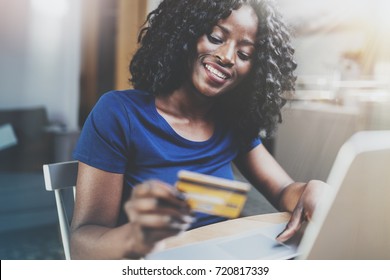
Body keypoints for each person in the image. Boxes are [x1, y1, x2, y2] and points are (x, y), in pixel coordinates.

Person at [71, 0, 328, 259]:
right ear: (184, 32)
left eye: (244, 54)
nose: (227, 57)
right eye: (216, 37)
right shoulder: (119, 114)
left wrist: (310, 190)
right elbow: (82, 243)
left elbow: (284, 190)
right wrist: (137, 234)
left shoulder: (232, 121)